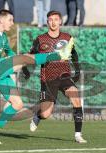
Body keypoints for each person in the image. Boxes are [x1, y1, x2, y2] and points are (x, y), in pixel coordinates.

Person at [0, 9, 74, 144]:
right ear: (1, 20)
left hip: (1, 73)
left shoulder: (3, 37)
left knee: (17, 104)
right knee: (24, 58)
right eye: (10, 20)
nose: (12, 23)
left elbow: (8, 51)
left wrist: (18, 59)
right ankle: (59, 55)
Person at [27, 10, 87, 143]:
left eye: (56, 19)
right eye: (50, 19)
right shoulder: (40, 39)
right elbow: (31, 56)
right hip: (47, 79)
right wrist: (26, 70)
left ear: (60, 21)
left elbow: (74, 53)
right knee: (46, 114)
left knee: (76, 98)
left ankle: (78, 134)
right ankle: (38, 116)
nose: (53, 22)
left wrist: (77, 70)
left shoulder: (67, 37)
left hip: (64, 75)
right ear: (47, 22)